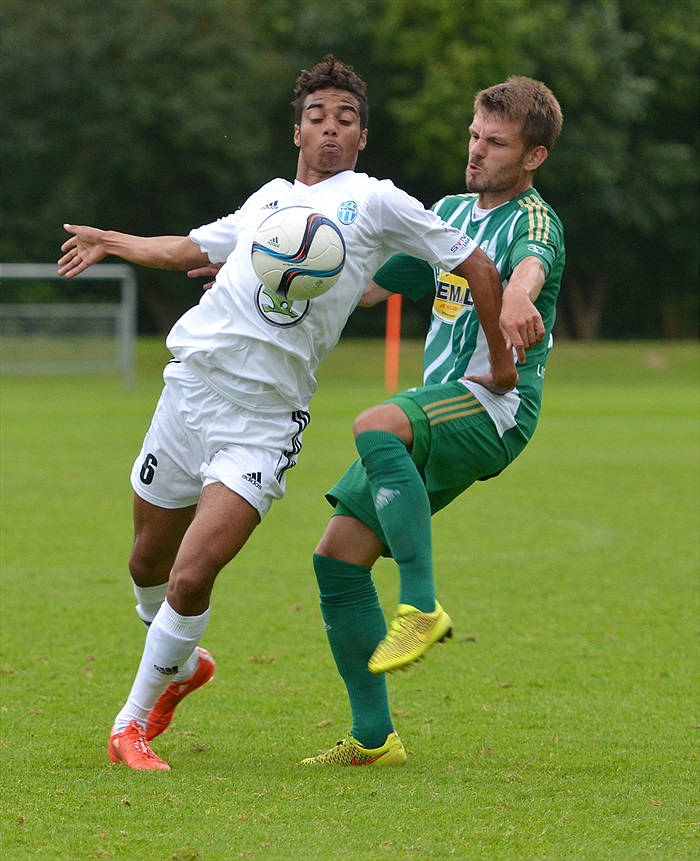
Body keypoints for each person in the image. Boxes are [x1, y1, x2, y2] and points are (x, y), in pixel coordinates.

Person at [57, 56, 522, 771]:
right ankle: (182, 665)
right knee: (146, 561)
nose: (330, 129)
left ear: (362, 137)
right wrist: (110, 241)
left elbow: (478, 267)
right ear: (296, 131)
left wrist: (499, 356)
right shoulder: (267, 200)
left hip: (263, 421)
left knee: (191, 575)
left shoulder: (376, 201)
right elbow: (187, 248)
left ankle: (131, 725)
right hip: (188, 391)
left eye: (345, 119)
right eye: (317, 117)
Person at [301, 76, 564, 766]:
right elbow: (371, 287)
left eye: (496, 143)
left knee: (376, 423)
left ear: (533, 156)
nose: (476, 150)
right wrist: (271, 277)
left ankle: (421, 605)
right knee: (337, 560)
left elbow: (530, 268)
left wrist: (518, 298)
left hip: (494, 406)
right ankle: (373, 738)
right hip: (440, 403)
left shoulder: (534, 221)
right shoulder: (449, 213)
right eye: (475, 135)